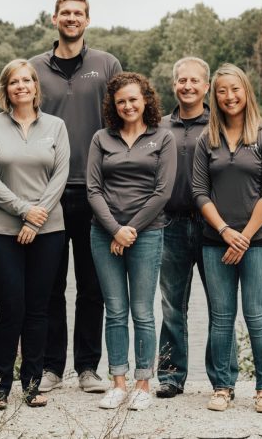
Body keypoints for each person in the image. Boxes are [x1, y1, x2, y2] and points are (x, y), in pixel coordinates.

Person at [30, 0, 122, 394]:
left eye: (78, 13)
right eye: (64, 13)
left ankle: (87, 368)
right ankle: (51, 367)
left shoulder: (106, 64)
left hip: (95, 190)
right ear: (54, 19)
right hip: (47, 191)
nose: (71, 18)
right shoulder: (34, 68)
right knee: (49, 285)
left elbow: (122, 119)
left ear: (87, 20)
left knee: (92, 286)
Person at [0, 59, 70, 409]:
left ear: (35, 86)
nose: (21, 86)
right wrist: (23, 211)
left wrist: (36, 219)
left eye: (27, 80)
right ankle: (0, 387)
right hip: (1, 230)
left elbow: (60, 175)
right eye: (14, 82)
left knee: (38, 309)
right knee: (9, 307)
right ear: (6, 89)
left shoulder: (56, 126)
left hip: (48, 230)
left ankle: (32, 385)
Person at [192, 63, 262, 414]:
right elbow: (199, 192)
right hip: (216, 241)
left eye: (235, 89)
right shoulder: (207, 139)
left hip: (258, 242)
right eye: (222, 91)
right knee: (221, 317)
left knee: (256, 315)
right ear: (214, 97)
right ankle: (222, 387)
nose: (229, 96)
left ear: (246, 91)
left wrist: (243, 237)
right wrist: (225, 232)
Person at [86, 72, 176, 411]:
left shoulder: (162, 137)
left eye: (133, 99)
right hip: (104, 233)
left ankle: (142, 384)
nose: (127, 106)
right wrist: (114, 230)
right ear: (113, 105)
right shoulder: (101, 138)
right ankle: (118, 382)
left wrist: (130, 230)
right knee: (115, 311)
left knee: (142, 311)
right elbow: (93, 190)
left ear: (146, 100)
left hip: (147, 234)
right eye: (121, 101)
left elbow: (162, 192)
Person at [155, 57, 238, 399]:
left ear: (206, 87)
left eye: (194, 81)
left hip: (213, 227)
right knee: (172, 305)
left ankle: (223, 378)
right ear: (174, 85)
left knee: (221, 306)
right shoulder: (158, 126)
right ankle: (171, 376)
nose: (187, 86)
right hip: (170, 224)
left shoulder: (221, 124)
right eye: (181, 80)